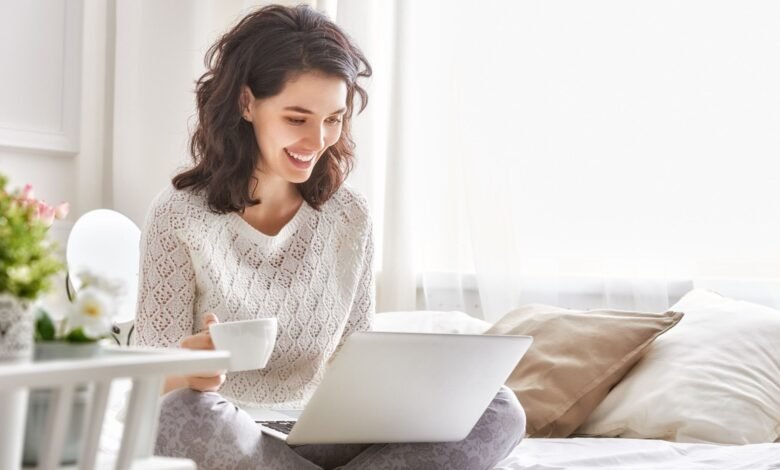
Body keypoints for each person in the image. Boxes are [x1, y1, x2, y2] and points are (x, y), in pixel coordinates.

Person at [135, 4, 525, 469]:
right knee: (182, 416)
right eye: (297, 119)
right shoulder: (179, 214)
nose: (316, 140)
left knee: (499, 408)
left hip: (321, 434)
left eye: (333, 119)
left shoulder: (350, 218)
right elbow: (147, 388)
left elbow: (355, 365)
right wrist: (188, 371)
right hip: (228, 428)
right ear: (246, 103)